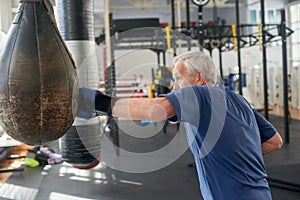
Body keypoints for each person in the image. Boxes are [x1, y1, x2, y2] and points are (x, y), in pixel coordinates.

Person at [77, 50, 282, 200]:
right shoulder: (238, 100)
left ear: (199, 78)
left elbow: (156, 110)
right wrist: (232, 157)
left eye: (178, 78)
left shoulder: (200, 93)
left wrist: (97, 103)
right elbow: (274, 141)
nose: (174, 86)